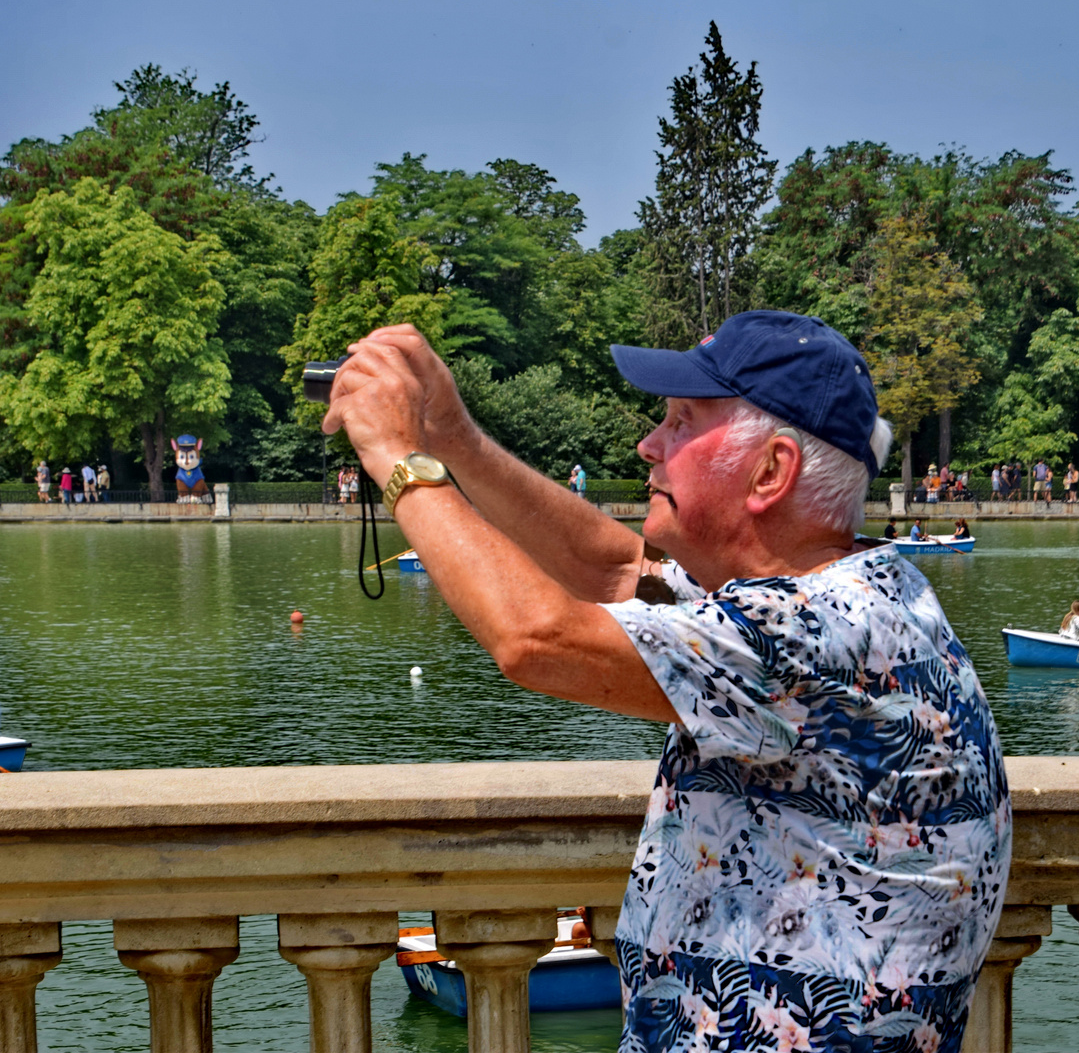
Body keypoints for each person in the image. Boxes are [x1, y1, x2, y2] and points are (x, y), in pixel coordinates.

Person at [321, 311, 1010, 1049]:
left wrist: (396, 453)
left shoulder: (815, 632)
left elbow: (536, 639)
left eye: (682, 422)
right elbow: (614, 570)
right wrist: (452, 436)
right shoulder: (856, 594)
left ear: (771, 472)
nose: (648, 443)